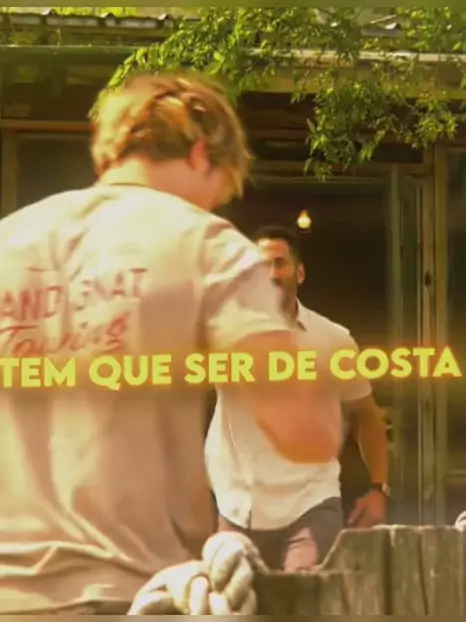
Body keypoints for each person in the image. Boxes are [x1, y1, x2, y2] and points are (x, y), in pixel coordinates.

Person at [0, 74, 342, 614]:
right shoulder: (205, 244)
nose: (215, 206)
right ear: (201, 152)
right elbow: (306, 433)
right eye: (220, 189)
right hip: (135, 591)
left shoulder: (10, 240)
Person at [206, 224, 389, 572]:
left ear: (299, 273)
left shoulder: (332, 339)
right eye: (261, 266)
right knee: (232, 597)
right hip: (237, 505)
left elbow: (366, 416)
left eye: (280, 263)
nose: (271, 274)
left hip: (310, 502)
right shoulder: (220, 335)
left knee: (304, 593)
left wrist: (379, 488)